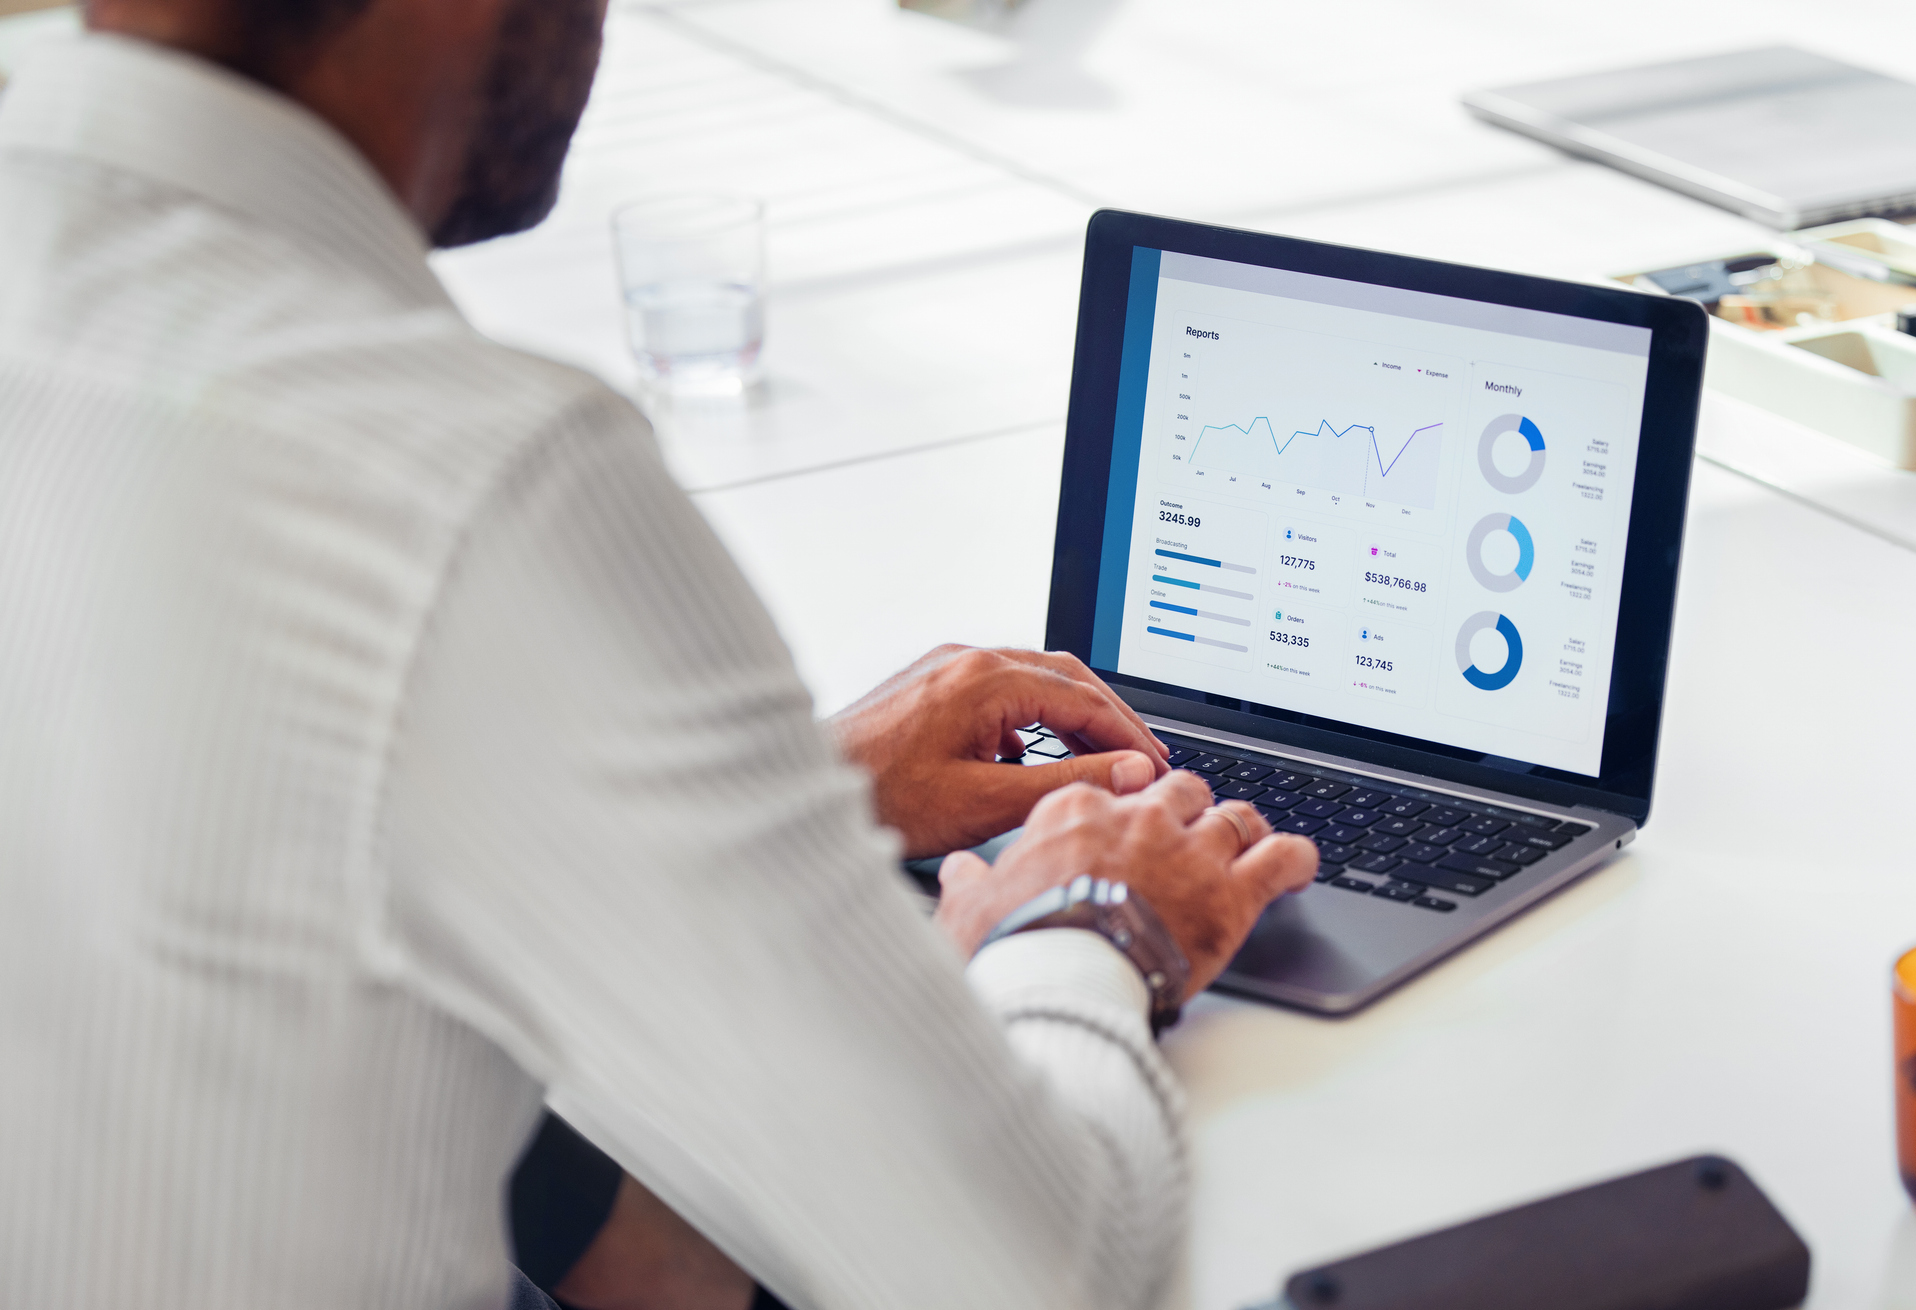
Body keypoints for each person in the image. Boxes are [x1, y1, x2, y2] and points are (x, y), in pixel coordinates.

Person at [0, 1, 1318, 1307]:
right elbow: (1039, 1275)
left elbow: (188, 784)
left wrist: (768, 794)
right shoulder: (472, 473)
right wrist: (1083, 916)